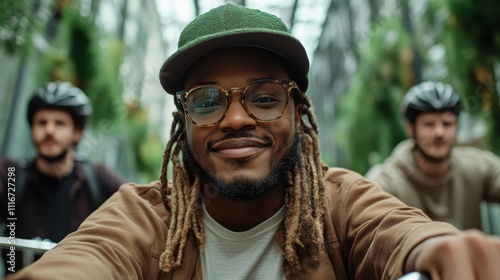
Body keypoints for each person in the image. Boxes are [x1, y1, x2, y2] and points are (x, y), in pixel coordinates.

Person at [7, 4, 500, 280]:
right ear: (183, 120)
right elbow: (93, 255)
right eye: (206, 100)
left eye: (265, 96)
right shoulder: (146, 215)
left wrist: (440, 248)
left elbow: (393, 230)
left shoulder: (338, 203)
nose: (236, 118)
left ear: (297, 111)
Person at [0, 81, 126, 273]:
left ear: (77, 132)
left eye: (59, 123)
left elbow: (138, 208)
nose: (49, 130)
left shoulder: (98, 178)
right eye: (41, 122)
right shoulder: (11, 174)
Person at [365, 81, 500, 231]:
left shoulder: (477, 166)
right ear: (411, 129)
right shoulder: (389, 181)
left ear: (457, 127)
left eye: (447, 124)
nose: (439, 132)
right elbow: (362, 220)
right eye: (429, 124)